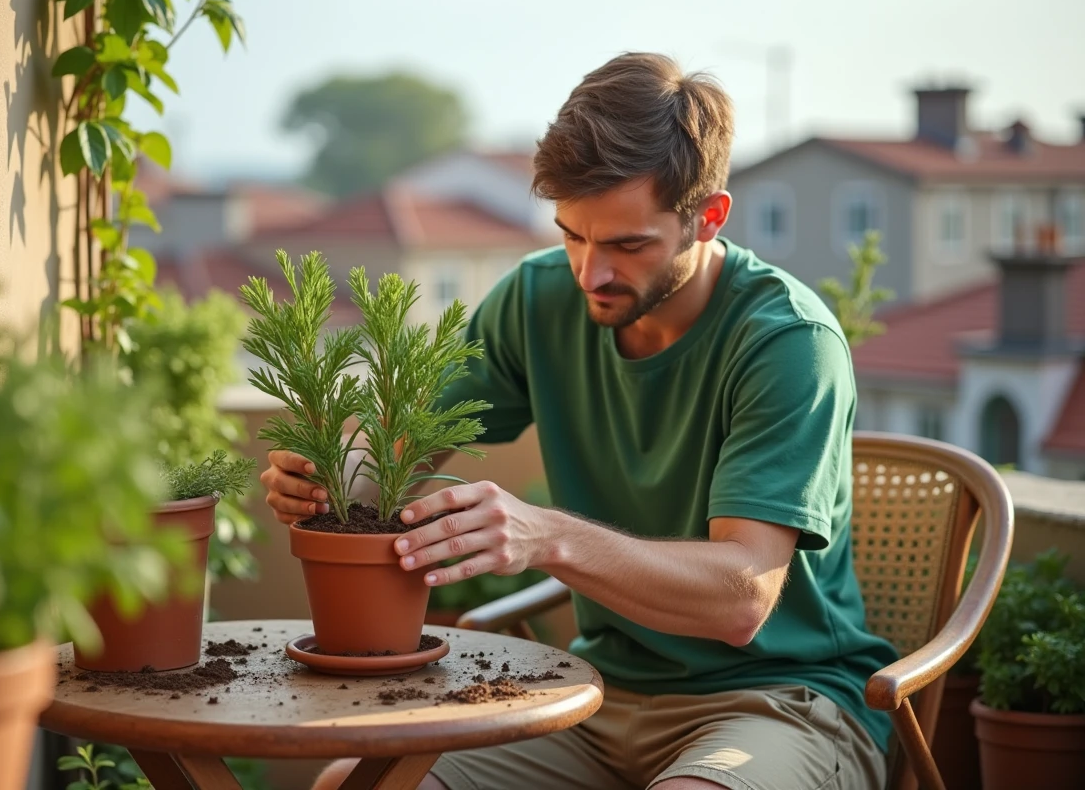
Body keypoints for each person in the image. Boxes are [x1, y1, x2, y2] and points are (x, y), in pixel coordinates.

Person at [261, 52, 898, 790]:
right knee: (357, 784)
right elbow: (397, 449)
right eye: (572, 233)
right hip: (590, 701)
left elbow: (740, 599)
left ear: (707, 216)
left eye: (628, 245)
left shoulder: (787, 344)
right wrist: (333, 474)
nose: (589, 271)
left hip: (778, 704)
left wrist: (546, 535)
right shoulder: (535, 299)